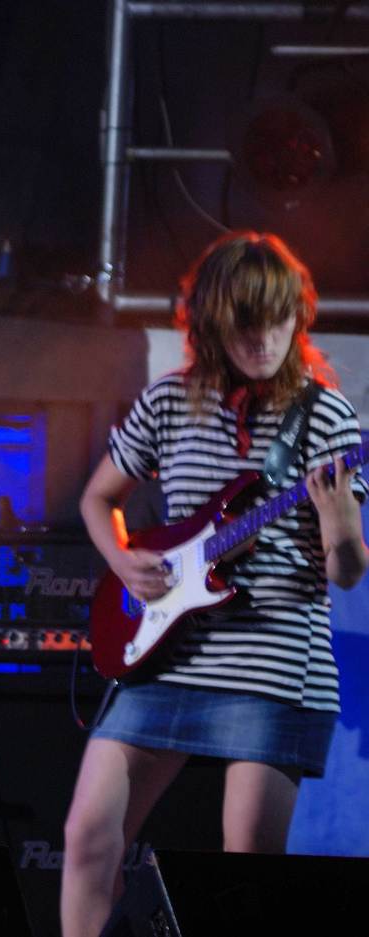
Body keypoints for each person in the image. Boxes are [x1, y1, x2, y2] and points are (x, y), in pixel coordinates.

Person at [61, 232, 367, 937]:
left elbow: (346, 571)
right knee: (87, 839)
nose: (264, 339)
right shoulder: (168, 402)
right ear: (210, 323)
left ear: (297, 318)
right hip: (166, 652)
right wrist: (123, 559)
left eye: (278, 321)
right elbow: (96, 498)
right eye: (246, 323)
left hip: (274, 661)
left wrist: (341, 522)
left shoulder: (325, 416)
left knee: (244, 870)